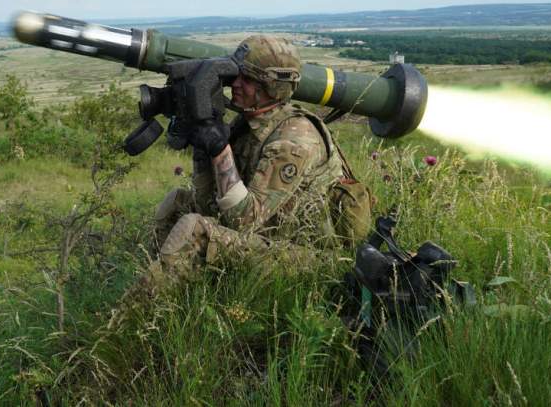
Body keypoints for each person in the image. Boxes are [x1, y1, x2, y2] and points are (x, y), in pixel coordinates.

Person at [117, 35, 368, 311]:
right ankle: (165, 293)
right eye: (236, 75)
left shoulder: (294, 139)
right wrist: (202, 143)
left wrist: (219, 150)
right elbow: (207, 202)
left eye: (247, 79)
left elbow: (244, 222)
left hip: (307, 258)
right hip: (268, 235)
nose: (235, 84)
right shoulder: (249, 122)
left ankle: (128, 322)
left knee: (196, 229)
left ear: (272, 86)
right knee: (178, 200)